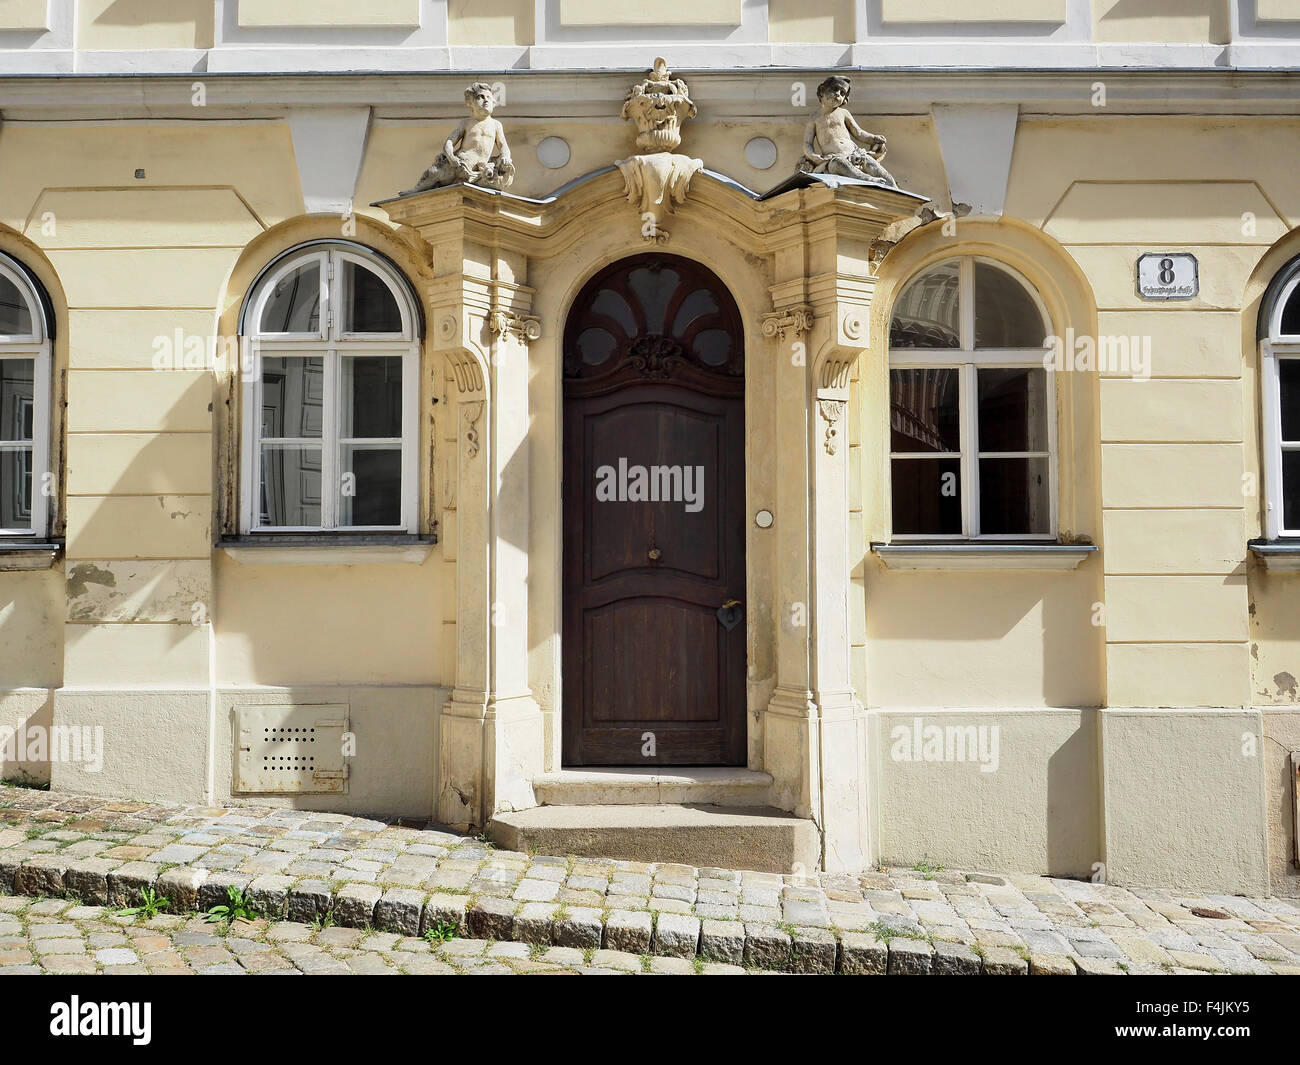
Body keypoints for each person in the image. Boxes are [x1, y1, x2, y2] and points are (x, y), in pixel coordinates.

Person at [404, 82, 515, 194]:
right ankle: (416, 189)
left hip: (481, 168)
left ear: (493, 103)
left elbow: (503, 145)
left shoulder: (496, 125)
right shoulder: (466, 123)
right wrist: (451, 158)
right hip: (460, 163)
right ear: (471, 103)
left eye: (488, 97)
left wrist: (505, 156)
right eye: (480, 97)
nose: (485, 100)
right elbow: (449, 142)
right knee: (433, 172)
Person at [799, 75, 896, 187]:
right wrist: (813, 157)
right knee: (839, 164)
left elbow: (859, 133)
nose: (838, 94)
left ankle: (896, 189)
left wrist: (873, 138)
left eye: (842, 93)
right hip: (833, 158)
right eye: (834, 89)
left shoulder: (844, 113)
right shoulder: (814, 118)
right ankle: (868, 180)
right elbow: (807, 143)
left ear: (844, 99)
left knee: (879, 171)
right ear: (822, 91)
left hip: (855, 153)